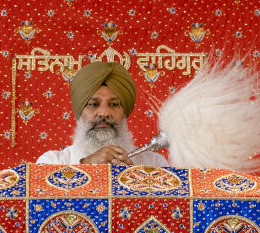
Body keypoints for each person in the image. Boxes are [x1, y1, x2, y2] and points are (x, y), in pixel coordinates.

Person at [36, 61, 168, 166]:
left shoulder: (154, 164)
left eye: (114, 104)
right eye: (93, 104)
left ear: (124, 113)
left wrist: (133, 179)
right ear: (80, 112)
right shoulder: (52, 162)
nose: (104, 113)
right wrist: (87, 165)